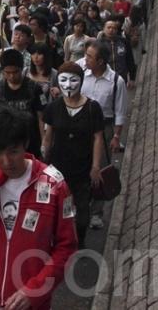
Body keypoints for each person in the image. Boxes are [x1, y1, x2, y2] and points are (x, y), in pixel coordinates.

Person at [0, 106, 78, 310]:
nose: (6, 162)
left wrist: (35, 290)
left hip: (31, 303)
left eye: (13, 152)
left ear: (25, 144)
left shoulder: (55, 184)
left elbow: (67, 247)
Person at [42, 62, 104, 248]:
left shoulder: (93, 108)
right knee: (57, 209)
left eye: (73, 80)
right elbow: (47, 136)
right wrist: (43, 162)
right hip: (58, 169)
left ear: (81, 81)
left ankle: (80, 240)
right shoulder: (53, 108)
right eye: (63, 80)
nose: (68, 85)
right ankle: (61, 242)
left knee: (82, 213)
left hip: (83, 169)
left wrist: (95, 166)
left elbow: (98, 138)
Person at [81, 41, 128, 230]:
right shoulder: (82, 75)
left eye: (90, 57)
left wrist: (116, 136)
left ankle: (97, 213)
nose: (86, 59)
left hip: (105, 127)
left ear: (100, 61)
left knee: (100, 168)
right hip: (82, 127)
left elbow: (120, 111)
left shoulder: (117, 82)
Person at [0, 49, 45, 158]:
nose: (11, 77)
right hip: (8, 140)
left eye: (15, 72)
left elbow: (41, 117)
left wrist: (44, 141)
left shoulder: (34, 88)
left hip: (31, 139)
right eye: (7, 73)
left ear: (22, 69)